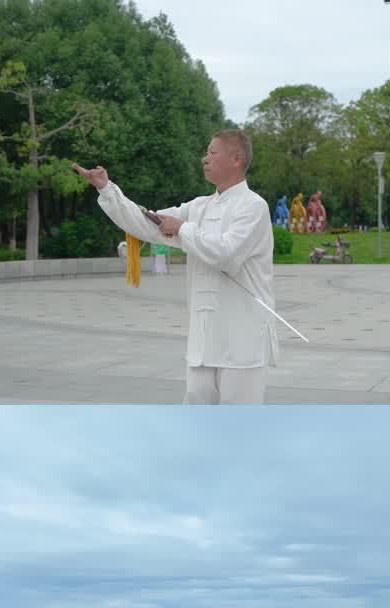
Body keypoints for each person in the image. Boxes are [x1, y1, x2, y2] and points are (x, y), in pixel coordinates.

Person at [74, 129, 278, 404]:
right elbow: (146, 223)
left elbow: (227, 255)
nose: (205, 159)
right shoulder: (198, 207)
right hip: (205, 337)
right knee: (196, 410)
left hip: (242, 336)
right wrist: (107, 189)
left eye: (212, 153)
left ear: (237, 158)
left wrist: (183, 229)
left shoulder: (254, 207)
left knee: (238, 423)